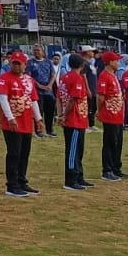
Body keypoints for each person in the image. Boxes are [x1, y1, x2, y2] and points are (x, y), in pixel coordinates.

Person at [0, 51, 43, 198]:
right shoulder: (4, 78)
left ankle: (22, 181)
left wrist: (38, 119)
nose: (16, 66)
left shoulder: (29, 80)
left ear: (25, 65)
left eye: (19, 64)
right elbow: (3, 98)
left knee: (24, 153)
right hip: (12, 124)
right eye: (13, 63)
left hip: (26, 122)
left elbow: (33, 100)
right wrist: (10, 118)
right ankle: (12, 184)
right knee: (14, 153)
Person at [56, 53, 92, 191]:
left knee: (78, 150)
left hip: (76, 119)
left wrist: (60, 114)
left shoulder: (64, 78)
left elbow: (59, 98)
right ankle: (71, 179)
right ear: (82, 65)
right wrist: (64, 116)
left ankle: (79, 176)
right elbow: (73, 99)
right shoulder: (76, 78)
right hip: (74, 119)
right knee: (73, 151)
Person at [95, 51, 126, 181]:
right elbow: (100, 96)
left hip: (117, 114)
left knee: (118, 142)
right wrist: (99, 110)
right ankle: (107, 169)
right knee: (109, 142)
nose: (118, 63)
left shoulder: (113, 75)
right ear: (110, 62)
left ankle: (116, 167)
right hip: (110, 114)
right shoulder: (104, 76)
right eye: (116, 60)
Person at [28, 45, 56, 140]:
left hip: (48, 90)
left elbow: (53, 74)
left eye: (38, 50)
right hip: (37, 90)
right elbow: (29, 76)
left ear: (43, 52)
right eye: (34, 50)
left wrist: (50, 85)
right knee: (38, 111)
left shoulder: (48, 62)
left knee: (50, 111)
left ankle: (49, 130)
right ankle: (38, 130)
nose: (36, 52)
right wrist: (39, 85)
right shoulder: (30, 63)